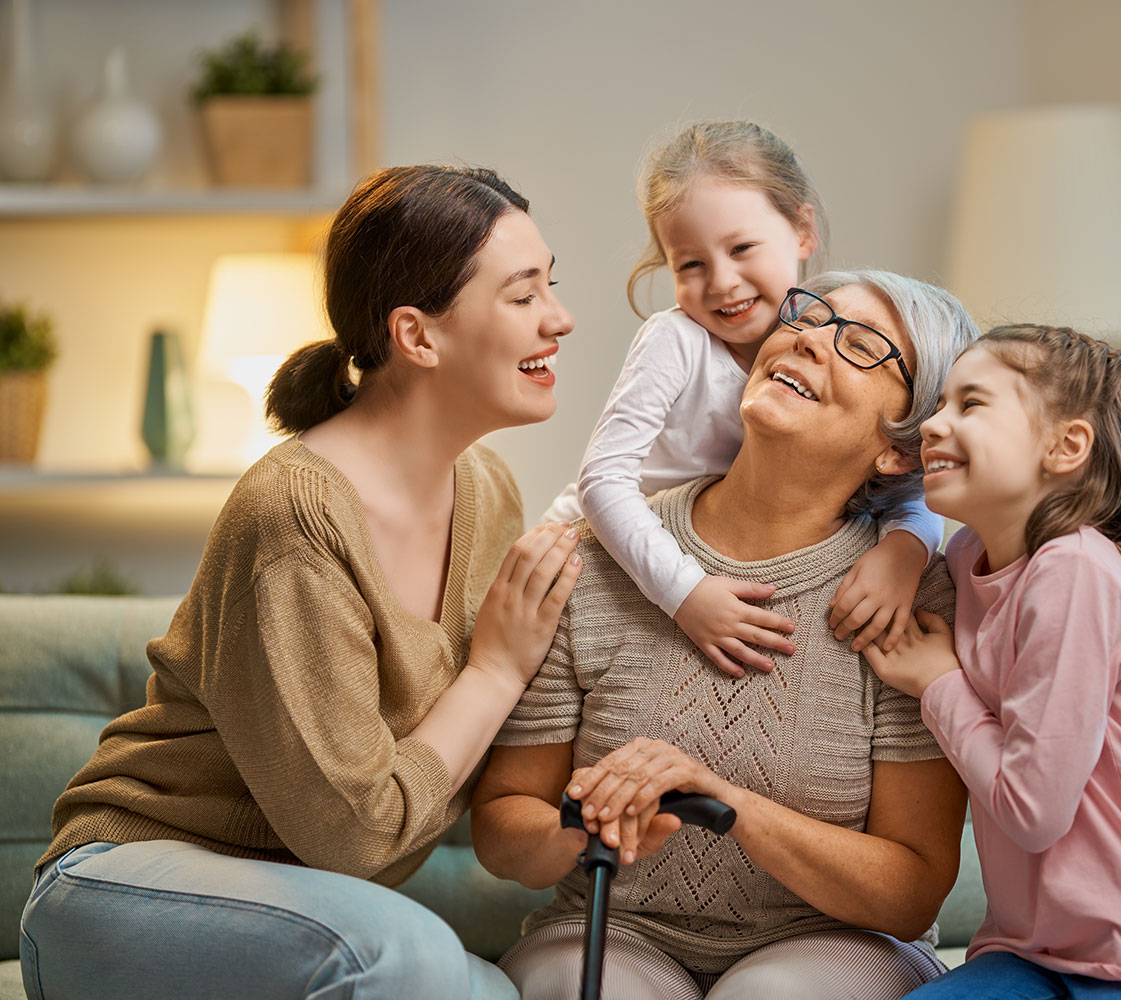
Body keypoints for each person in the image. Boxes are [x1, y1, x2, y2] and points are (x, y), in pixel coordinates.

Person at [19, 165, 580, 1000]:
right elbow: (355, 839)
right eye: (523, 295)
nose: (560, 320)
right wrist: (494, 669)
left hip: (309, 914)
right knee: (408, 960)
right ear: (417, 337)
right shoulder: (294, 514)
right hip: (125, 891)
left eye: (552, 288)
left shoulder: (489, 490)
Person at [474, 271, 979, 999]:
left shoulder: (916, 600)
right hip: (617, 929)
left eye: (863, 345)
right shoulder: (595, 559)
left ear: (899, 450)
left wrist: (722, 802)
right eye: (807, 315)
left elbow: (911, 891)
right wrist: (585, 825)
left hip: (840, 941)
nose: (808, 338)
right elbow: (501, 826)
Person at [864, 325, 1121, 998]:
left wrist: (940, 684)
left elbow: (1031, 809)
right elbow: (901, 517)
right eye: (938, 405)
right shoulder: (967, 560)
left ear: (1066, 446)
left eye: (970, 404)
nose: (932, 424)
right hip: (1034, 952)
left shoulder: (1074, 570)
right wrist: (901, 553)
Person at [542, 121, 945, 678]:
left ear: (803, 231)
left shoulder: (821, 341)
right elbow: (601, 481)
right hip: (591, 552)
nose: (722, 282)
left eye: (741, 248)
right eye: (690, 264)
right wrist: (687, 593)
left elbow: (913, 480)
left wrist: (904, 554)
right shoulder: (675, 339)